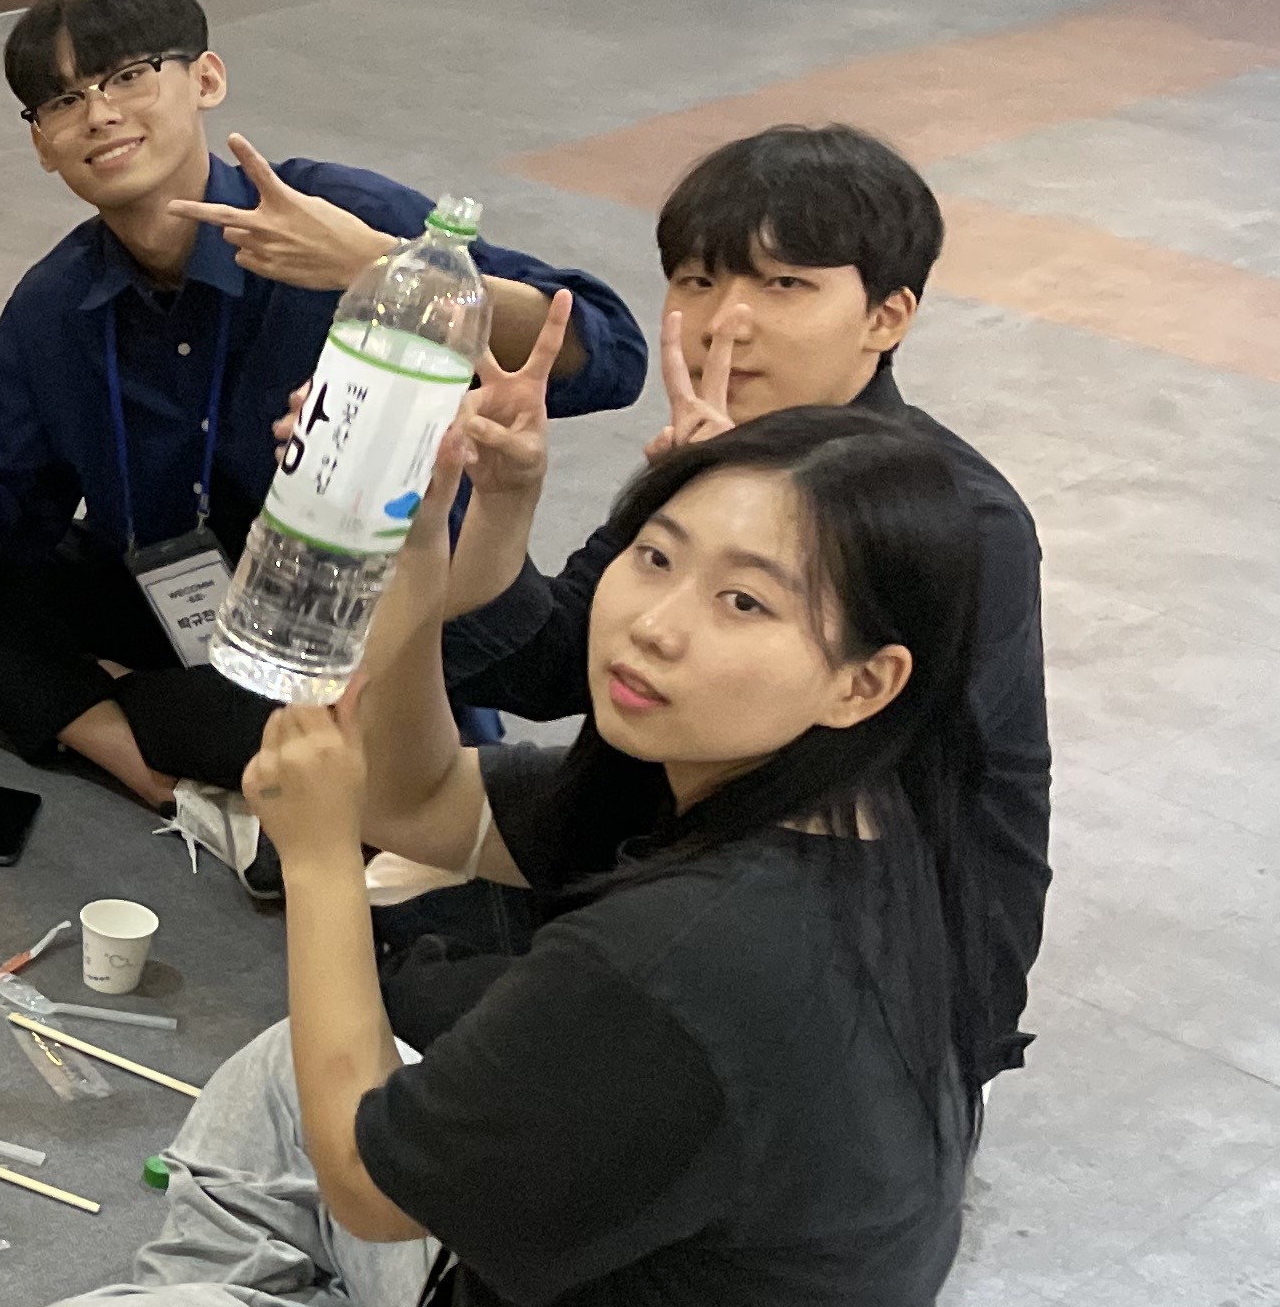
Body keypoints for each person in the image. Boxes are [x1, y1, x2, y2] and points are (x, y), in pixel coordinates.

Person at [0, 372, 995, 1307]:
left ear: (865, 680)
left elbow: (365, 1187)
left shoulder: (693, 954)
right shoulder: (811, 806)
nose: (657, 621)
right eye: (656, 555)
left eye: (744, 603)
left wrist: (317, 861)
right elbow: (423, 797)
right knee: (296, 1064)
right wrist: (416, 566)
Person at [0, 0, 644, 852]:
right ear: (41, 143)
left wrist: (382, 266)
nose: (99, 114)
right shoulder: (56, 306)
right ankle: (146, 765)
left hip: (367, 626)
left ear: (206, 79)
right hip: (187, 608)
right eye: (63, 101)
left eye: (126, 76)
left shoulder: (337, 214)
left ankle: (76, 699)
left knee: (308, 719)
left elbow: (610, 354)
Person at [439, 121, 1049, 1080]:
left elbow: (884, 803)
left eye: (785, 284)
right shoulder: (726, 455)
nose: (726, 321)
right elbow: (545, 670)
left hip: (849, 956)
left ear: (887, 317)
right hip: (683, 868)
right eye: (697, 280)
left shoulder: (955, 520)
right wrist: (502, 498)